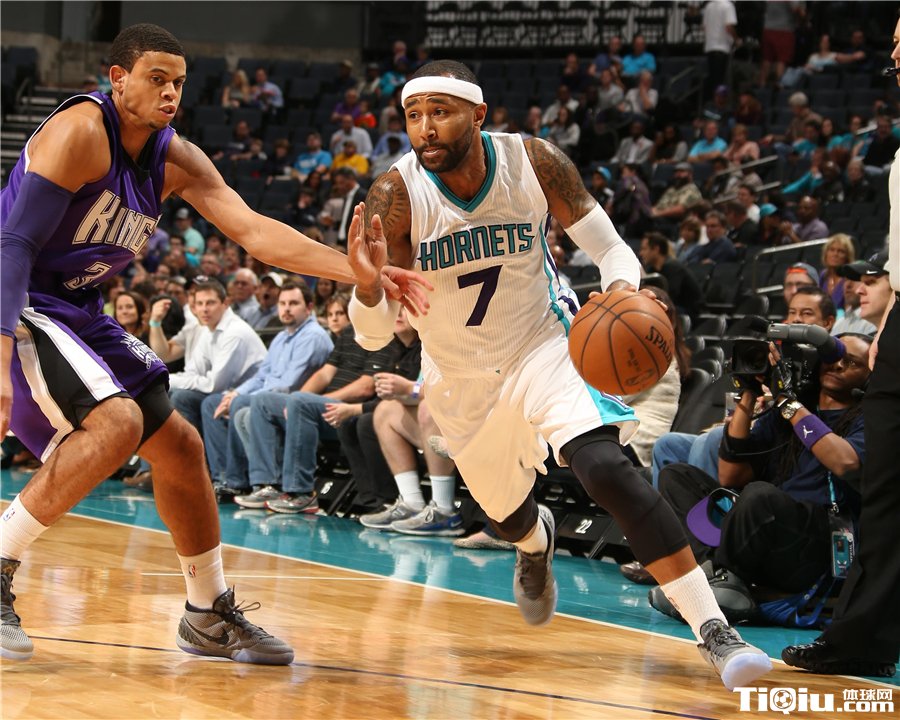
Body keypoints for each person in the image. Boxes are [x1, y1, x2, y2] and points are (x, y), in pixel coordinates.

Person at [0, 23, 426, 664]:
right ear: (118, 79)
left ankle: (207, 611)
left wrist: (360, 271)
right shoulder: (80, 132)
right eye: (156, 79)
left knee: (180, 446)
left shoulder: (174, 158)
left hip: (75, 307)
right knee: (117, 424)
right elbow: (12, 245)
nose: (171, 93)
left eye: (178, 82)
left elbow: (254, 231)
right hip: (19, 296)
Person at [345, 59, 772, 690]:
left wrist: (622, 291)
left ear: (478, 114)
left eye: (441, 112)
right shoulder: (396, 194)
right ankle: (534, 542)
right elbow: (373, 336)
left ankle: (715, 632)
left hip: (541, 346)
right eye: (414, 115)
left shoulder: (533, 162)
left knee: (607, 469)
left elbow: (612, 250)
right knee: (506, 518)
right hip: (459, 378)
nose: (426, 128)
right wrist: (365, 287)